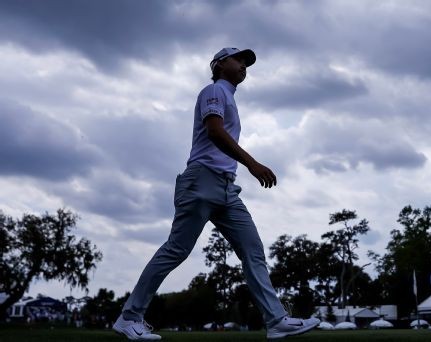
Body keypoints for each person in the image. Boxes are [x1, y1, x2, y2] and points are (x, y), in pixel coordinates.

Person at [112, 47, 320, 340]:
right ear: (221, 63)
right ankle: (129, 317)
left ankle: (276, 321)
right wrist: (253, 163)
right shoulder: (213, 91)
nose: (244, 65)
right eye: (239, 59)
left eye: (247, 63)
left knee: (253, 250)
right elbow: (214, 132)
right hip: (201, 181)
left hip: (226, 189)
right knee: (176, 250)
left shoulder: (228, 97)